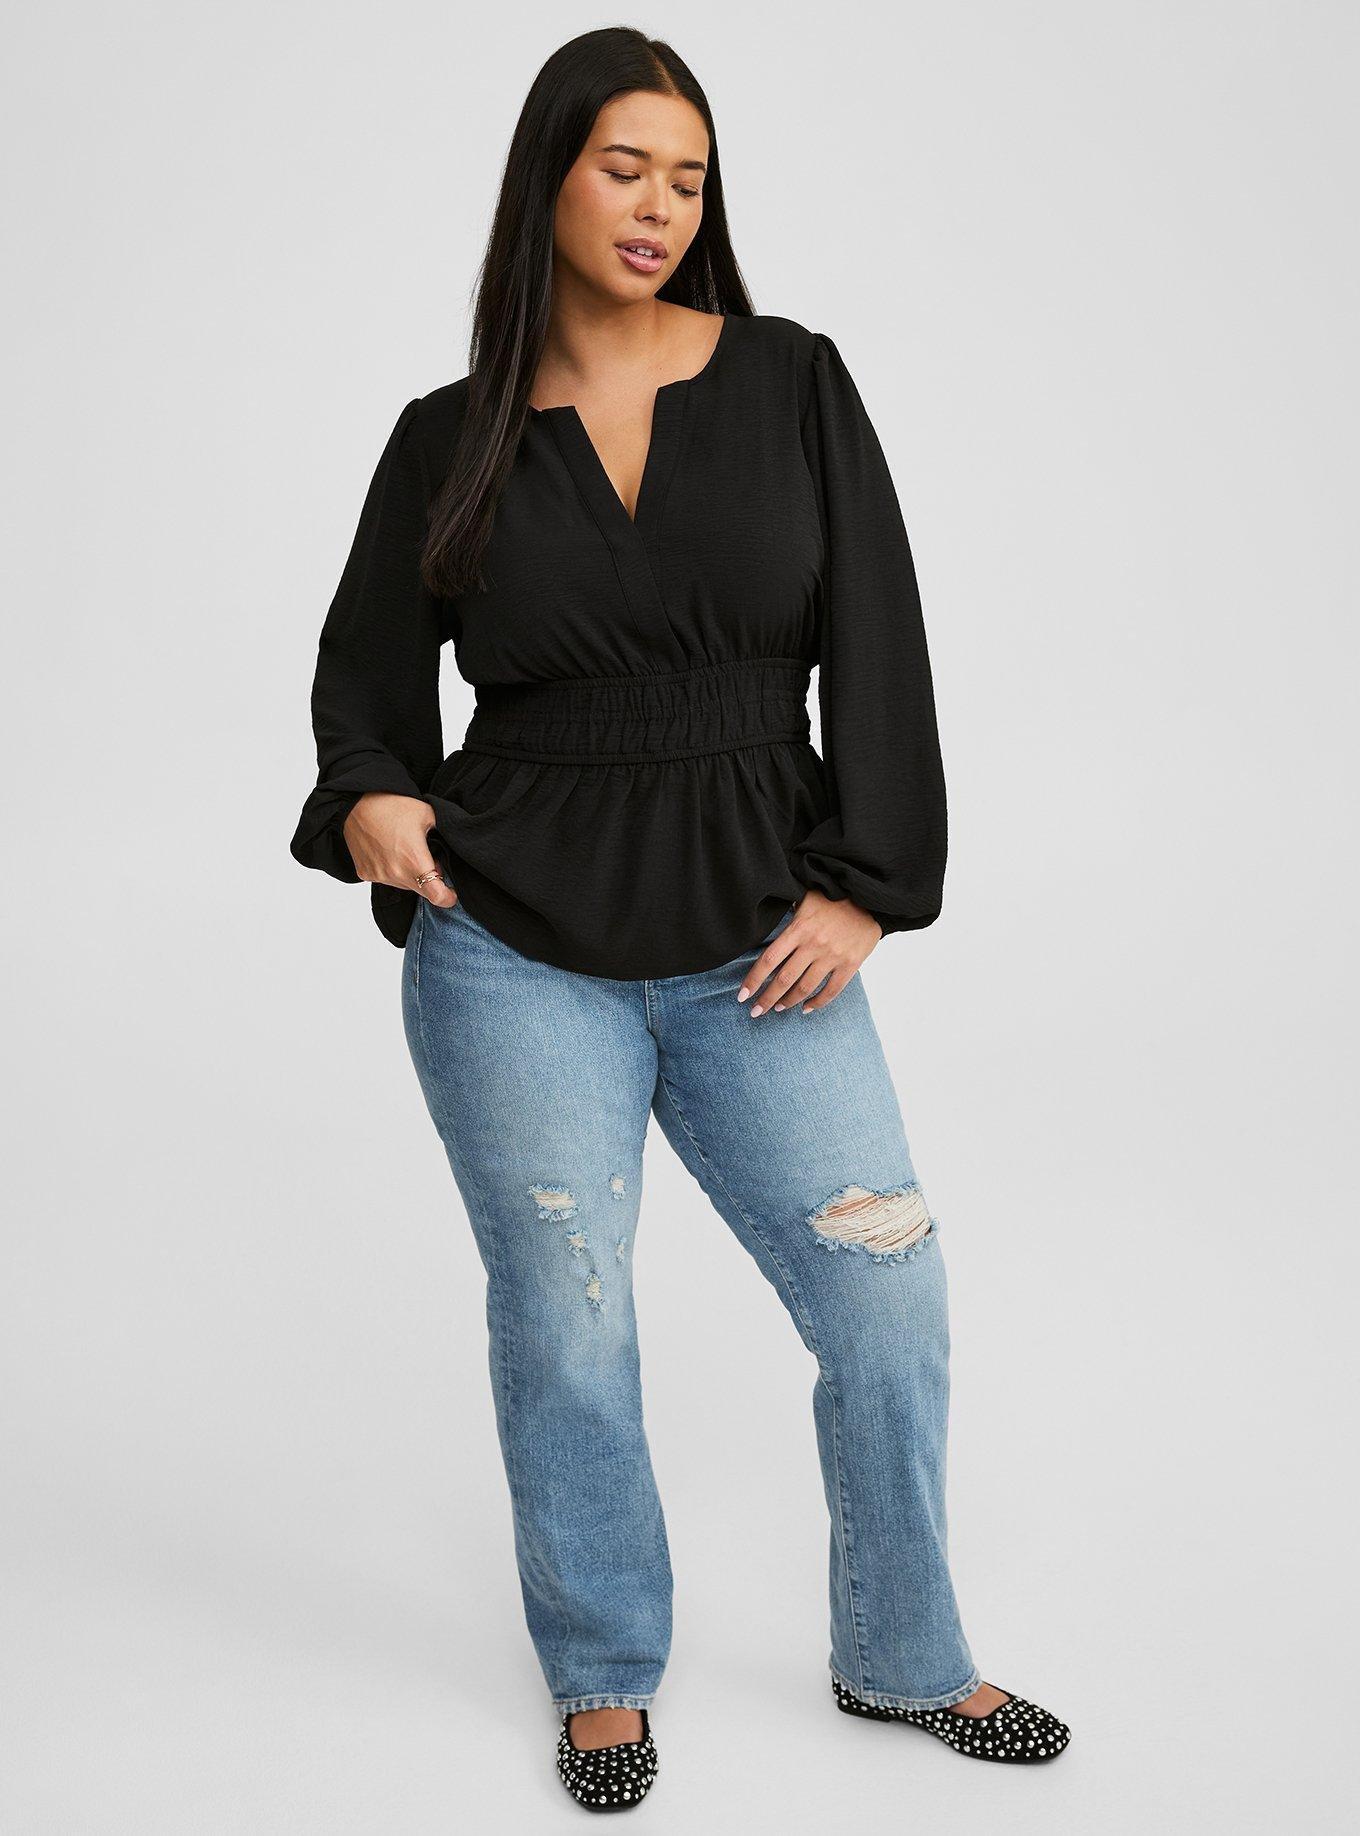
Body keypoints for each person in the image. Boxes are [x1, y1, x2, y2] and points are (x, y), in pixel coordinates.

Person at [289, 25, 1071, 1811]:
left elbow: (881, 633)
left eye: (689, 178)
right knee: (568, 1321)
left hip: (759, 942)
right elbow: (363, 678)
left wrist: (869, 886)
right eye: (624, 166)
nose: (659, 206)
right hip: (512, 946)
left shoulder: (792, 379)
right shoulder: (446, 438)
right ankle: (601, 1672)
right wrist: (375, 797)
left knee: (887, 1298)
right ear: (549, 182)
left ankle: (903, 1656)